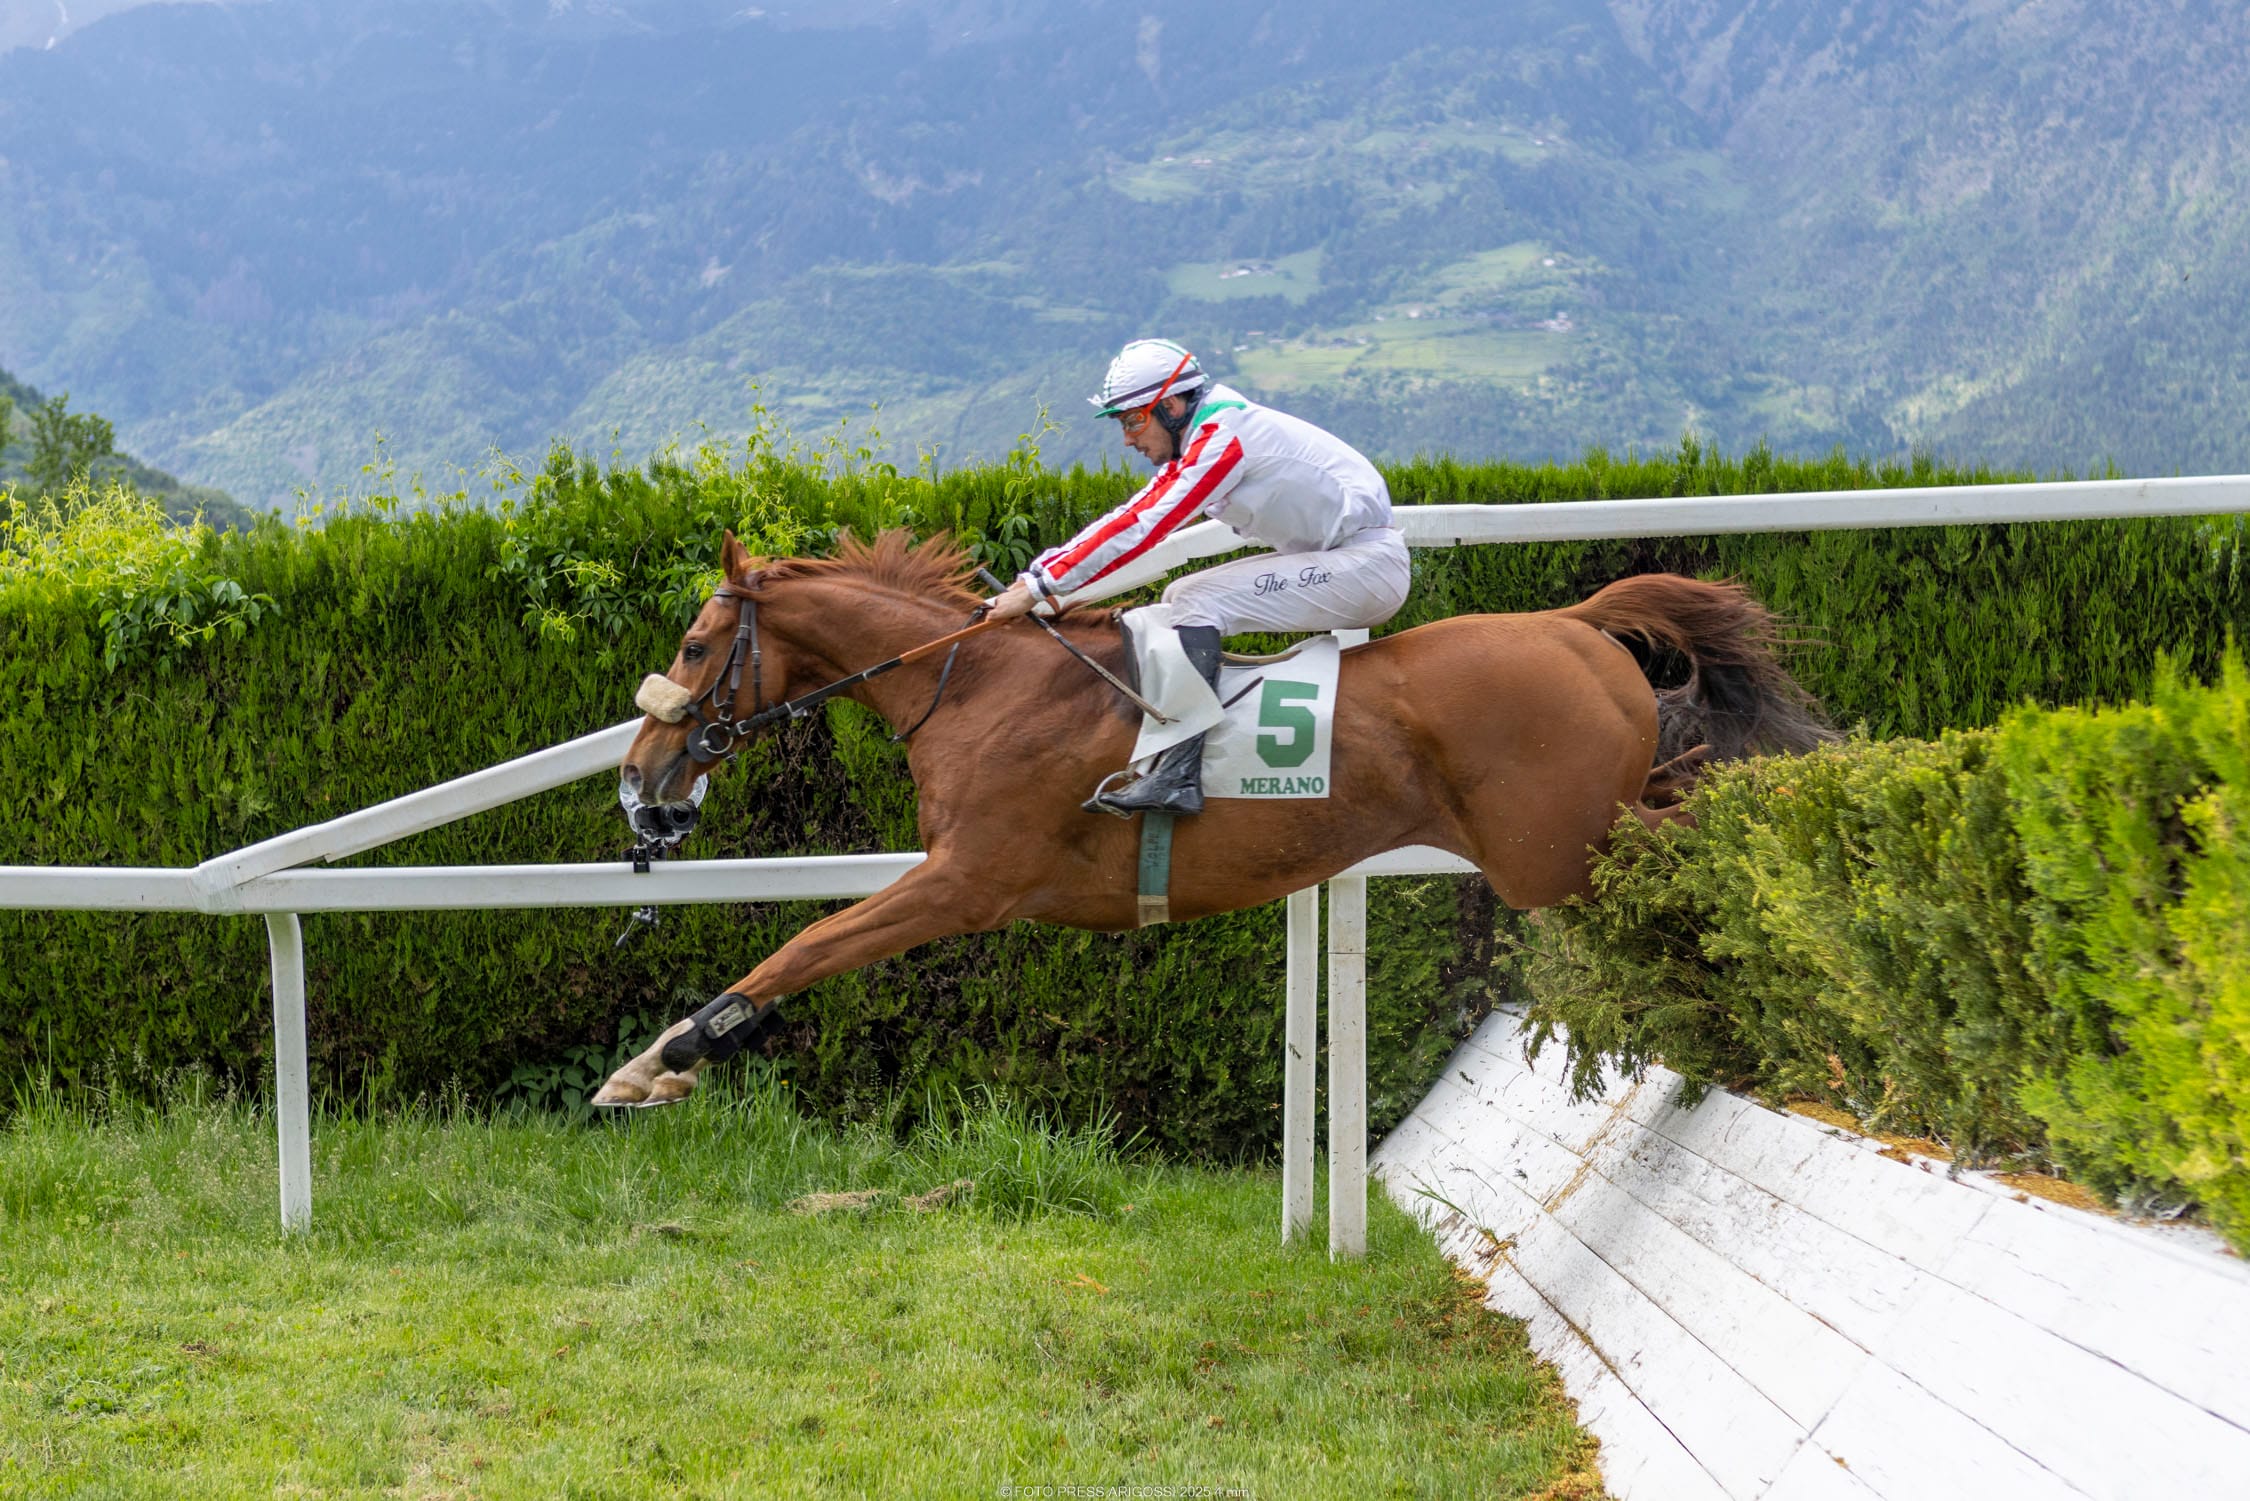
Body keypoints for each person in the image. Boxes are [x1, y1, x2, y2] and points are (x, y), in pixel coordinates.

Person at [985, 338, 1410, 817]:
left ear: (1169, 405)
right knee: (1184, 595)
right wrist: (1042, 584)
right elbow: (1134, 513)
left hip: (1363, 567)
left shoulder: (1224, 437)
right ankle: (1180, 761)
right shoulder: (1208, 432)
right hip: (1349, 558)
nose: (1127, 438)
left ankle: (1180, 773)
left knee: (1194, 598)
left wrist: (1039, 587)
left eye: (1132, 420)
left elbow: (1147, 523)